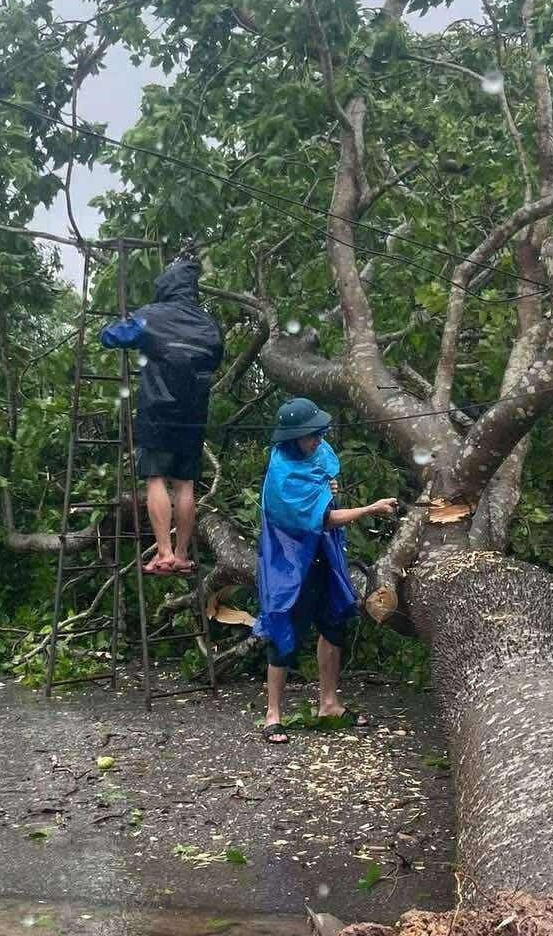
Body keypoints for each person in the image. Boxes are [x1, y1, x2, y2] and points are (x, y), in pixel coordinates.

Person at [254, 398, 396, 743]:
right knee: (284, 629)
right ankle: (273, 714)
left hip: (323, 556)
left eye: (319, 433)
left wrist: (328, 488)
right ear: (291, 439)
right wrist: (370, 509)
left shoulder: (313, 453)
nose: (318, 440)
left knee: (333, 624)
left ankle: (329, 703)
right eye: (310, 436)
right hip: (290, 563)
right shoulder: (283, 478)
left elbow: (324, 483)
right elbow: (323, 519)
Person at [100, 251, 225, 575]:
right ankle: (182, 554)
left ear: (165, 285)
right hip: (194, 413)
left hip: (157, 411)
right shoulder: (208, 323)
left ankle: (165, 553)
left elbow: (112, 336)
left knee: (156, 478)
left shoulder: (151, 315)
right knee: (185, 484)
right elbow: (214, 358)